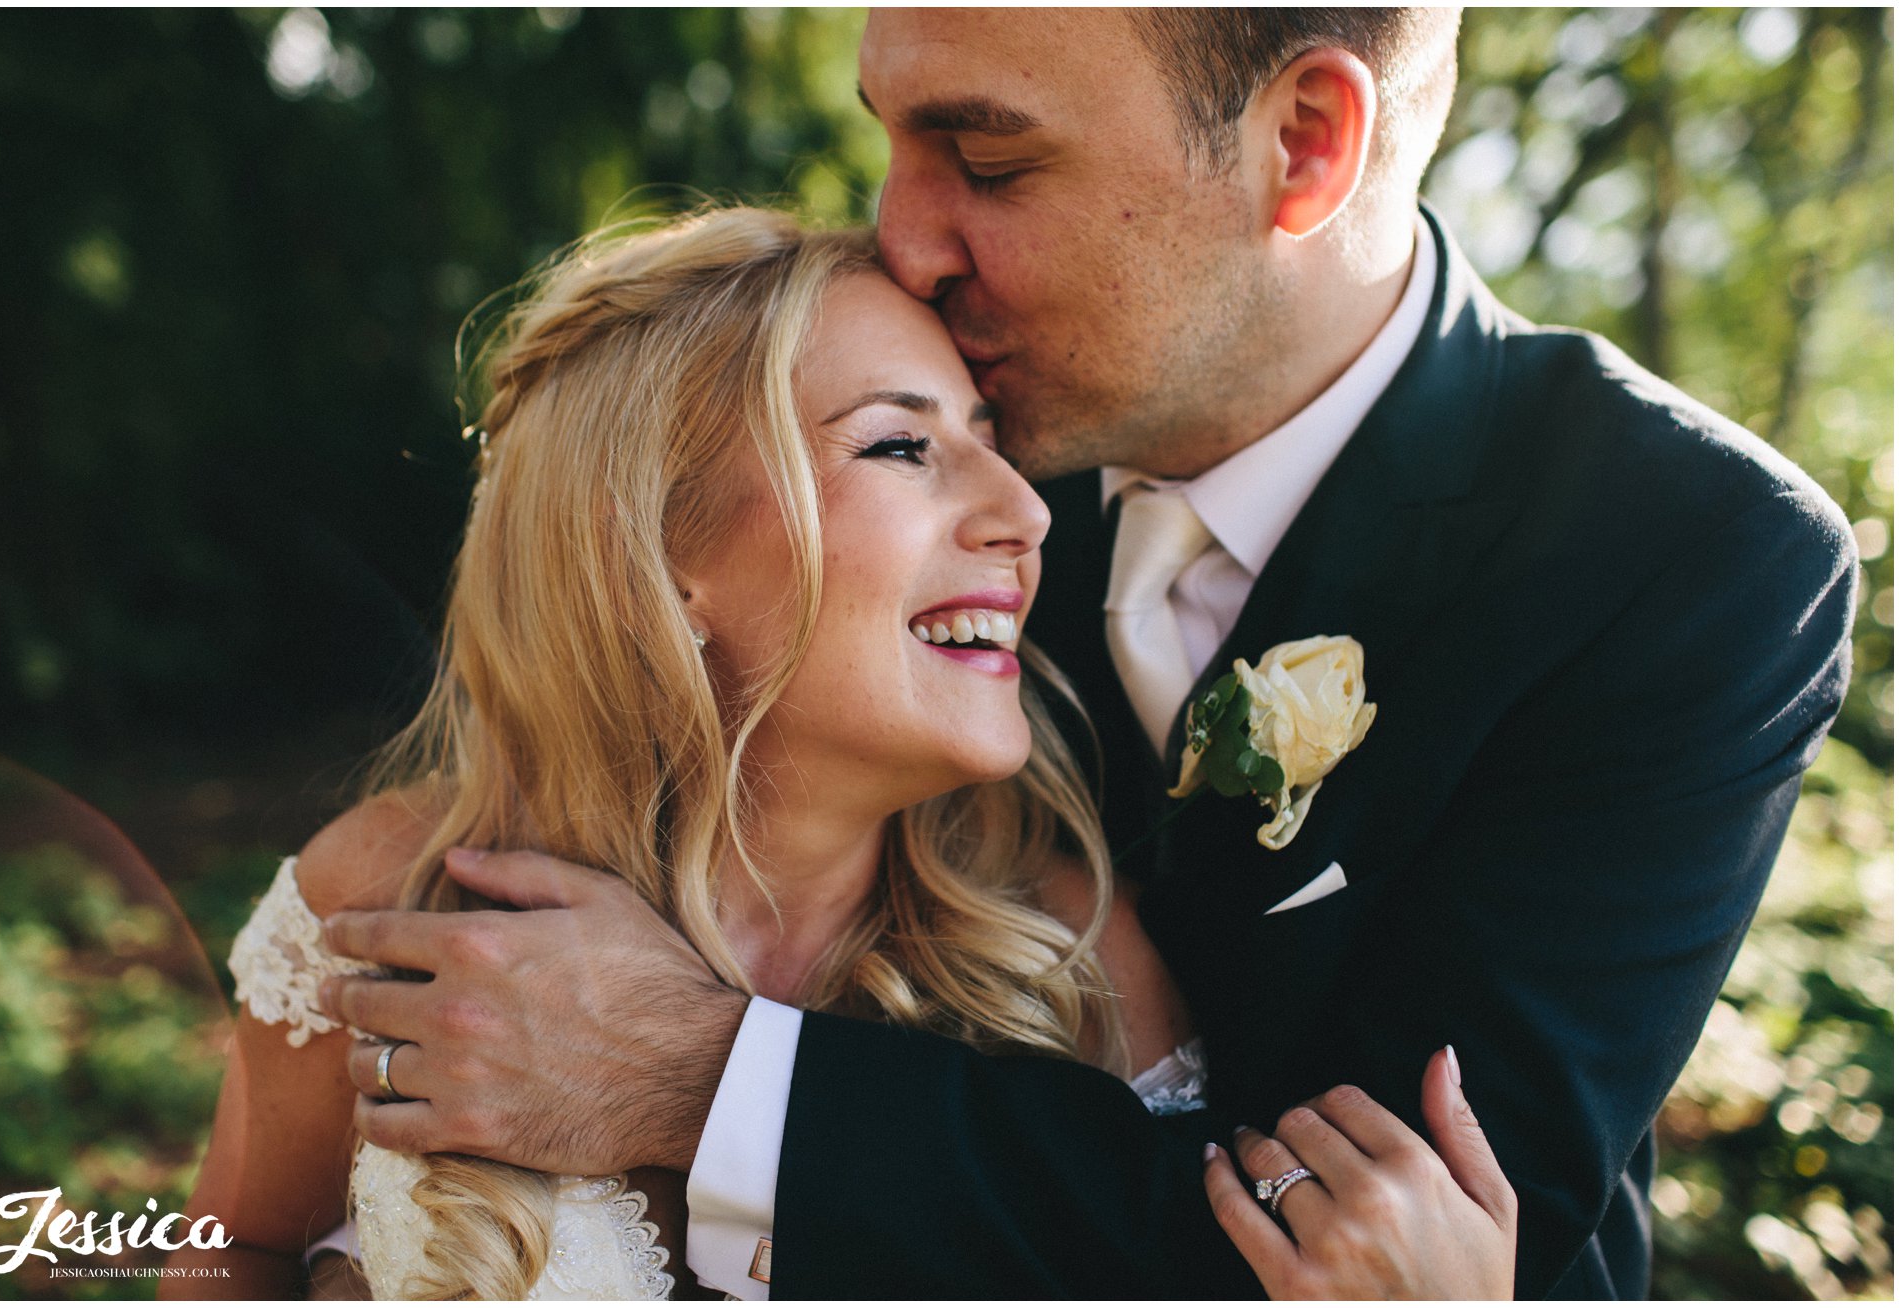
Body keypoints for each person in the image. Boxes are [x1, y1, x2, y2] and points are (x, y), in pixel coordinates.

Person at [306, 9, 1858, 1299]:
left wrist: (709, 1083)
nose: (904, 242)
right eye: (893, 141)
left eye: (987, 160)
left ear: (1303, 143)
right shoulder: (914, 449)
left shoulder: (1679, 554)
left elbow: (1366, 1248)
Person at [166, 208, 1516, 1300]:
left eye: (989, 446)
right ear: (660, 557)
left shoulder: (1072, 964)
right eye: (898, 445)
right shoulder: (388, 901)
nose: (1020, 514)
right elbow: (235, 1250)